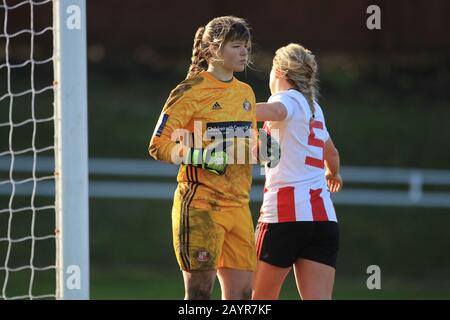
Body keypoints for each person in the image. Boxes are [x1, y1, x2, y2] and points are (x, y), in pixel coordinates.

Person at [148, 16, 258, 300]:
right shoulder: (190, 91)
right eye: (236, 46)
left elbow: (250, 142)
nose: (244, 52)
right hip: (201, 206)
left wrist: (265, 150)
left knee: (244, 296)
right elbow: (157, 145)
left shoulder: (246, 92)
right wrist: (197, 156)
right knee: (199, 295)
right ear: (212, 50)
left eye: (246, 46)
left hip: (240, 206)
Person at [252, 43, 343, 300]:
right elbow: (332, 154)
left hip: (285, 215)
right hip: (323, 219)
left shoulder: (285, 98)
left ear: (279, 72)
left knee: (259, 301)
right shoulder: (315, 108)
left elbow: (276, 110)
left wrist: (233, 107)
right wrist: (332, 174)